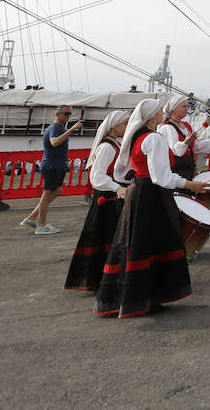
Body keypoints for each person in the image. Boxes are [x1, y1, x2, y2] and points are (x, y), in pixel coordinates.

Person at [94, 98, 210, 318]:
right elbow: (162, 177)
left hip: (138, 192)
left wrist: (132, 185)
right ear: (152, 116)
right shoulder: (154, 138)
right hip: (153, 195)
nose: (160, 114)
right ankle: (150, 296)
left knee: (137, 244)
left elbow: (120, 172)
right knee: (157, 242)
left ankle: (133, 298)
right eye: (158, 112)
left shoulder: (135, 137)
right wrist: (189, 184)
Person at [65, 109, 129, 291]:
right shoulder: (107, 147)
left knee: (105, 236)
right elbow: (97, 176)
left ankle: (103, 275)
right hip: (107, 197)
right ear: (114, 126)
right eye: (124, 123)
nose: (126, 127)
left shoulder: (113, 144)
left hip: (110, 195)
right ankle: (102, 276)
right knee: (106, 235)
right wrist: (117, 187)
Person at [21, 106, 83, 234]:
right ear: (57, 114)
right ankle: (41, 225)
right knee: (47, 194)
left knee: (57, 190)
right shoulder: (55, 128)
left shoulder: (59, 128)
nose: (68, 116)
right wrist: (71, 129)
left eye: (70, 114)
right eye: (66, 114)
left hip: (57, 166)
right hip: (51, 166)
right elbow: (54, 142)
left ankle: (31, 218)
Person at [159, 96, 210, 179]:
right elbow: (175, 151)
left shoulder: (186, 125)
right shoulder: (167, 128)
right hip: (175, 172)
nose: (187, 109)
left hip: (188, 168)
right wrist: (186, 142)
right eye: (184, 106)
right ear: (174, 109)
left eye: (187, 106)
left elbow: (196, 145)